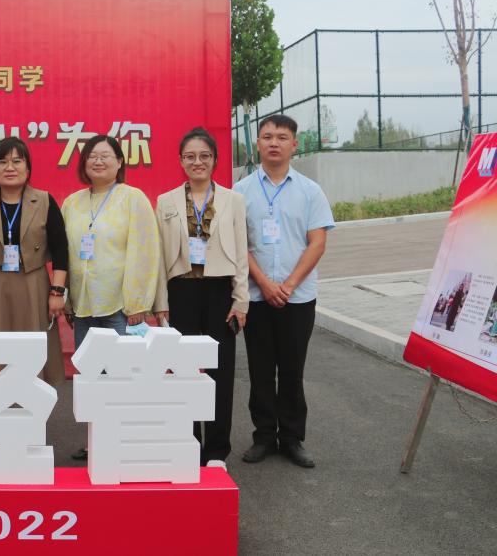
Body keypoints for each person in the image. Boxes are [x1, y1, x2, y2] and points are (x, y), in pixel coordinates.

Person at [234, 114, 334, 469]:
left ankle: (291, 438)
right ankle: (263, 436)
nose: (273, 143)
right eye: (267, 136)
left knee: (292, 371)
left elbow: (317, 242)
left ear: (294, 144)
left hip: (298, 298)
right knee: (260, 371)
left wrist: (288, 285)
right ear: (257, 144)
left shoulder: (310, 191)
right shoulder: (240, 191)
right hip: (257, 297)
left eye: (281, 137)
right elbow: (237, 245)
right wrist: (263, 282)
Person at [154, 127, 249, 464]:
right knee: (183, 370)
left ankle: (217, 448)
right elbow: (159, 257)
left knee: (220, 370)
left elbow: (241, 253)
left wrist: (241, 300)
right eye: (190, 156)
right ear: (181, 161)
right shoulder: (165, 201)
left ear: (215, 160)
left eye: (204, 156)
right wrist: (160, 303)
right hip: (181, 291)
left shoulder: (233, 200)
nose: (198, 162)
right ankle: (188, 441)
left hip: (219, 292)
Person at [62, 134, 159, 460]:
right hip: (84, 304)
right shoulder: (72, 203)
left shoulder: (133, 198)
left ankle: (125, 440)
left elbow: (144, 251)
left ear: (119, 162)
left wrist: (137, 303)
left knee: (122, 374)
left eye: (106, 156)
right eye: (92, 156)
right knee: (91, 376)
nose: (98, 161)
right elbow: (65, 254)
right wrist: (68, 300)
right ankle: (95, 440)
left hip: (120, 305)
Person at [0, 136, 69, 387]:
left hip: (34, 284)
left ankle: (32, 402)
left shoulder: (44, 201)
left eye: (17, 161)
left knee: (31, 346)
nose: (9, 167)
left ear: (28, 168)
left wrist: (57, 292)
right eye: (2, 162)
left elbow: (60, 250)